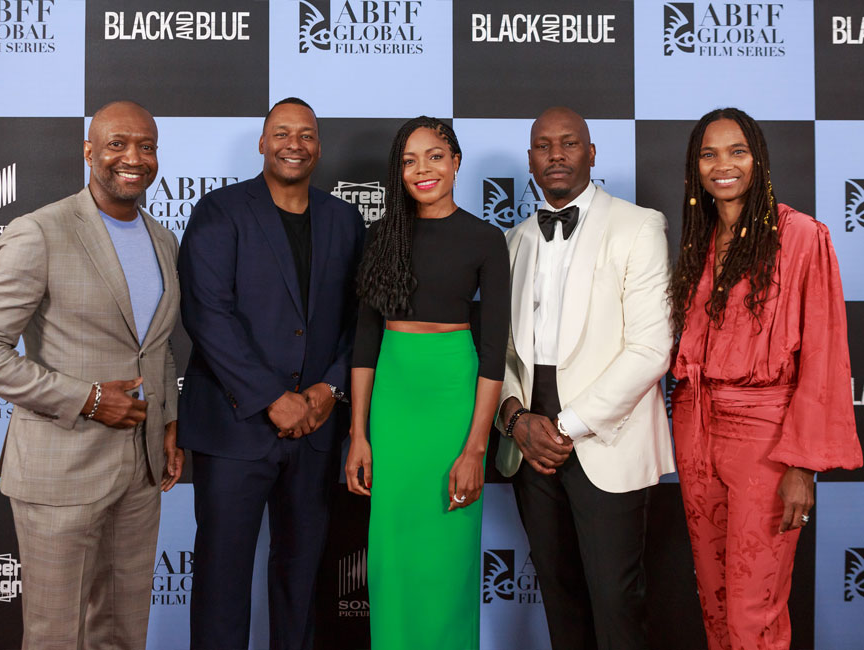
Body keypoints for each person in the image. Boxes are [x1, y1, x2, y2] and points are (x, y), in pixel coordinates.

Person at [0, 100, 183, 649]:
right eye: (117, 144)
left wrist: (168, 423)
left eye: (147, 146)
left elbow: (156, 346)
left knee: (124, 632)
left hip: (140, 471)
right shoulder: (39, 231)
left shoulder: (163, 240)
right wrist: (86, 399)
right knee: (56, 635)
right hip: (60, 471)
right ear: (89, 152)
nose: (134, 158)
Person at [669, 107, 863, 650]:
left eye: (736, 151)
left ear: (758, 160)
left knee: (755, 612)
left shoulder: (802, 236)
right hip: (695, 429)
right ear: (695, 167)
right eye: (709, 154)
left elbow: (824, 356)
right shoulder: (699, 241)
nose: (722, 165)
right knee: (716, 601)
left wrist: (803, 463)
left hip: (766, 440)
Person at [178, 97, 364, 650]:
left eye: (306, 135)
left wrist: (330, 389)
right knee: (221, 581)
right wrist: (270, 397)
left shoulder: (344, 219)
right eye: (282, 133)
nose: (294, 144)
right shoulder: (219, 211)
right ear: (262, 143)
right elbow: (206, 313)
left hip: (315, 434)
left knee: (301, 581)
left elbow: (362, 318)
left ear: (318, 147)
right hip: (234, 430)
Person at [495, 106, 674, 650]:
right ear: (530, 159)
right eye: (543, 145)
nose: (555, 154)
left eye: (568, 143)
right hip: (530, 443)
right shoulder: (514, 239)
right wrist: (515, 417)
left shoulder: (639, 225)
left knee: (617, 604)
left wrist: (566, 425)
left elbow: (651, 349)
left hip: (605, 436)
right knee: (559, 596)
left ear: (591, 153)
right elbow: (500, 351)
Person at [345, 116, 510, 650]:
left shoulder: (486, 239)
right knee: (392, 552)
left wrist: (475, 449)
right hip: (393, 400)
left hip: (453, 397)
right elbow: (366, 342)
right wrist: (359, 434)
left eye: (435, 156)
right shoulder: (381, 237)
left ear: (456, 162)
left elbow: (492, 353)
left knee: (449, 553)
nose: (423, 169)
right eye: (410, 160)